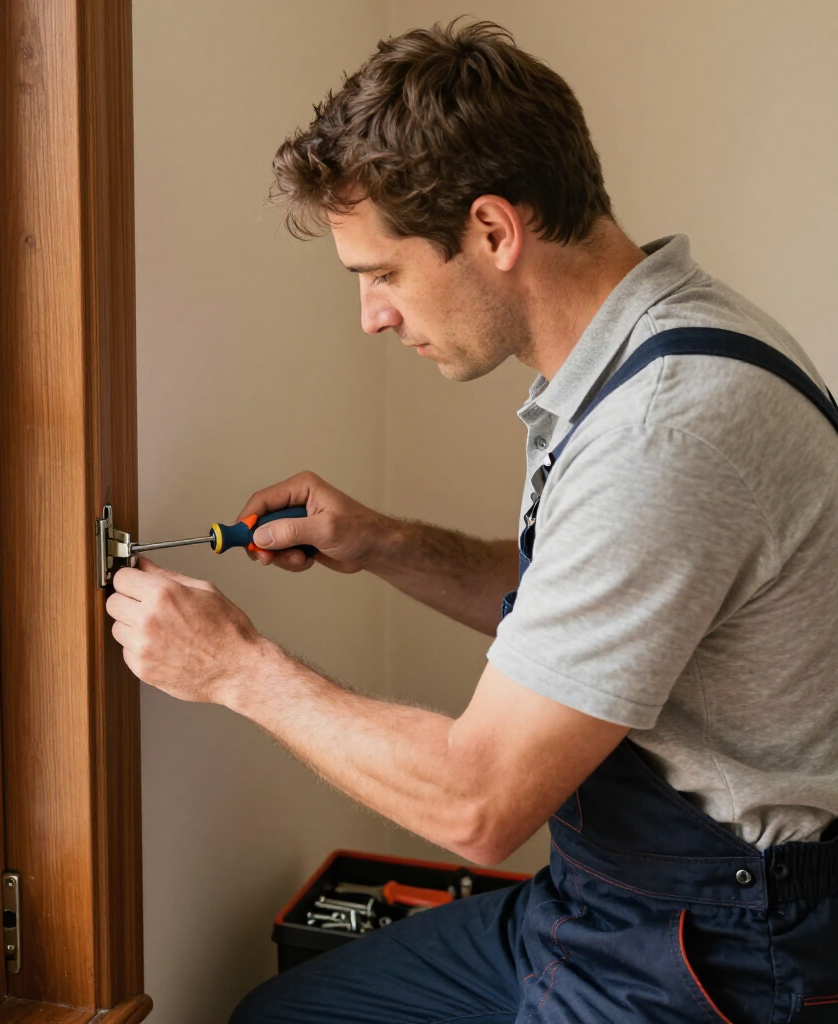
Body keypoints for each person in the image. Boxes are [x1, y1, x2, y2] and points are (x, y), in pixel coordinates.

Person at [105, 20, 838, 1024]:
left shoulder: (663, 433)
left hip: (717, 950)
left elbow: (478, 802)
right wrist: (383, 544)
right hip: (597, 903)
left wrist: (235, 667)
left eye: (382, 274)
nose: (372, 315)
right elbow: (585, 608)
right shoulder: (643, 346)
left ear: (492, 231)